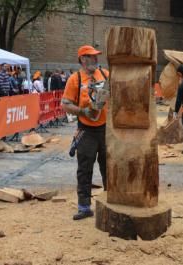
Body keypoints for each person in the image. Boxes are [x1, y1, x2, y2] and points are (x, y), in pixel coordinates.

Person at [61, 45, 109, 220]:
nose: (95, 59)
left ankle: (110, 201)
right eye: (91, 57)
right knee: (84, 169)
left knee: (108, 167)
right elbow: (65, 104)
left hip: (105, 129)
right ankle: (84, 206)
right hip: (86, 130)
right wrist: (82, 111)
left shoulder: (105, 75)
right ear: (82, 59)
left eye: (96, 57)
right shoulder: (75, 79)